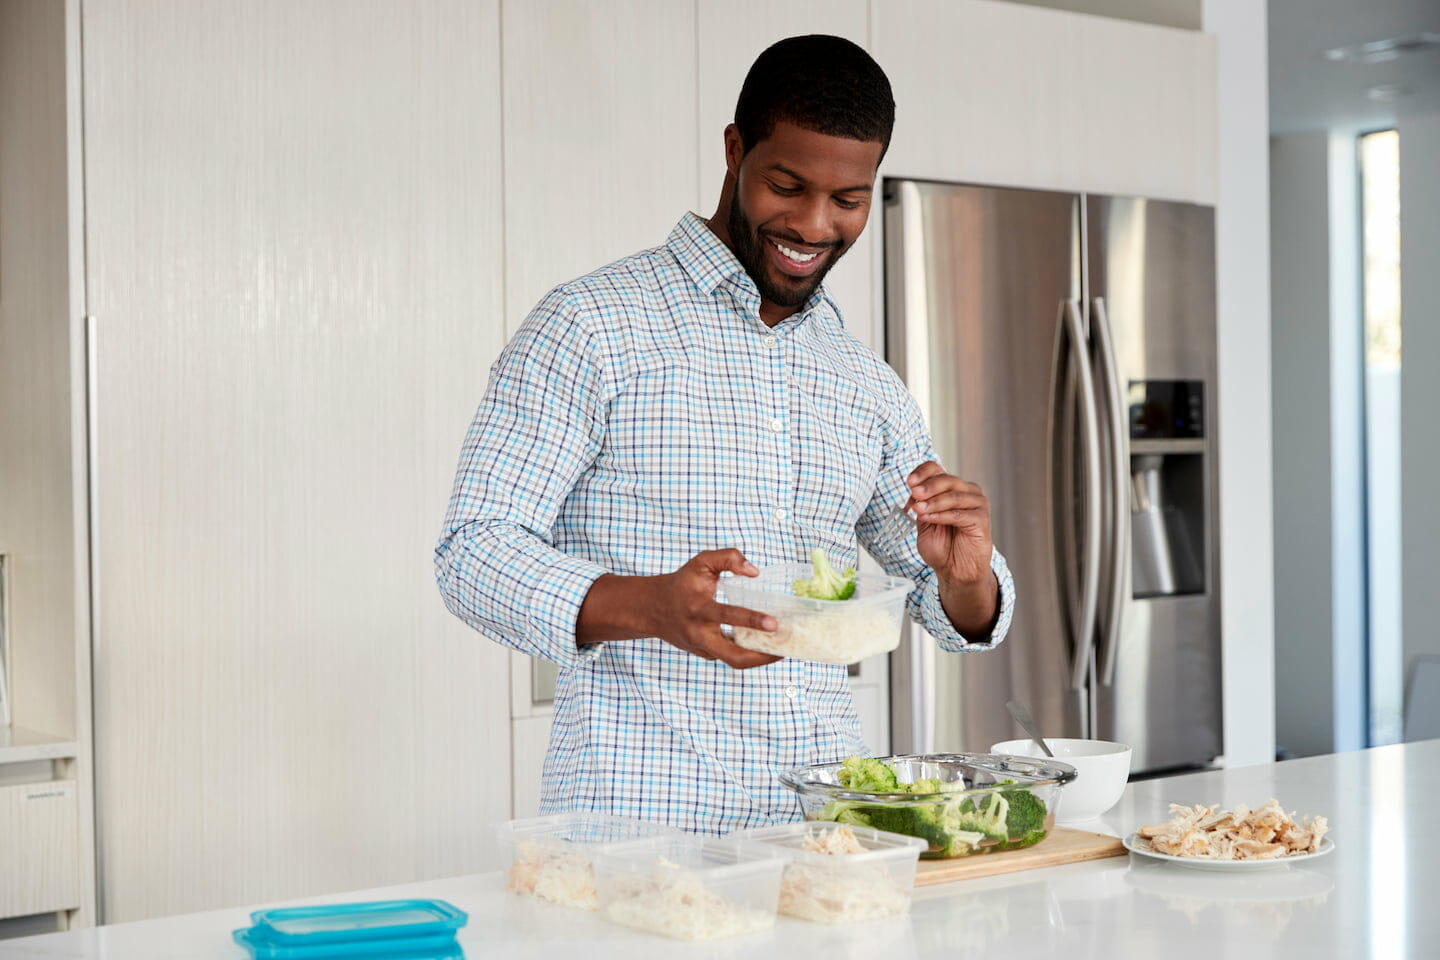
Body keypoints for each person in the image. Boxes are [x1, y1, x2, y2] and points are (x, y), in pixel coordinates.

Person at [436, 35, 1015, 835]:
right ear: (736, 150)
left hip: (823, 834)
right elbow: (472, 551)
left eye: (847, 199)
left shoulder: (866, 385)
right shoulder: (591, 327)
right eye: (787, 185)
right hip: (639, 835)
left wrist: (967, 574)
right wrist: (652, 606)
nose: (814, 225)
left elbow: (943, 604)